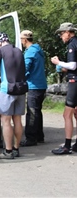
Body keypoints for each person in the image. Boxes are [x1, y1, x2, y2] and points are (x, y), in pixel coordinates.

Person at [0, 33, 27, 159]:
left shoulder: (1, 51)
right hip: (21, 88)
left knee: (5, 120)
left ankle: (8, 152)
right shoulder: (19, 51)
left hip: (7, 89)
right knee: (17, 120)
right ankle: (16, 149)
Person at [51, 22, 77, 154]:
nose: (61, 36)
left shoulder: (72, 44)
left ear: (68, 32)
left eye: (62, 33)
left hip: (75, 82)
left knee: (67, 114)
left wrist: (58, 62)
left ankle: (67, 145)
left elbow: (73, 65)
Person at [20, 30, 47, 147]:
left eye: (21, 39)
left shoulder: (30, 52)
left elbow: (25, 68)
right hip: (42, 85)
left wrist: (17, 78)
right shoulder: (38, 50)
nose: (21, 42)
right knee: (37, 111)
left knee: (31, 113)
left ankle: (31, 138)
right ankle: (39, 136)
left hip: (33, 86)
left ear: (25, 40)